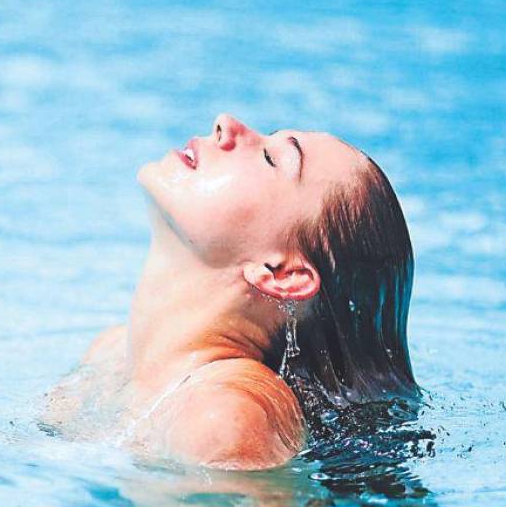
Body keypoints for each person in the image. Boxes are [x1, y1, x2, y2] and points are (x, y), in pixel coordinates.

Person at [41, 112, 417, 470]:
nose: (226, 123)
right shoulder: (109, 354)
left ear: (282, 274)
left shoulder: (227, 417)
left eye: (271, 158)